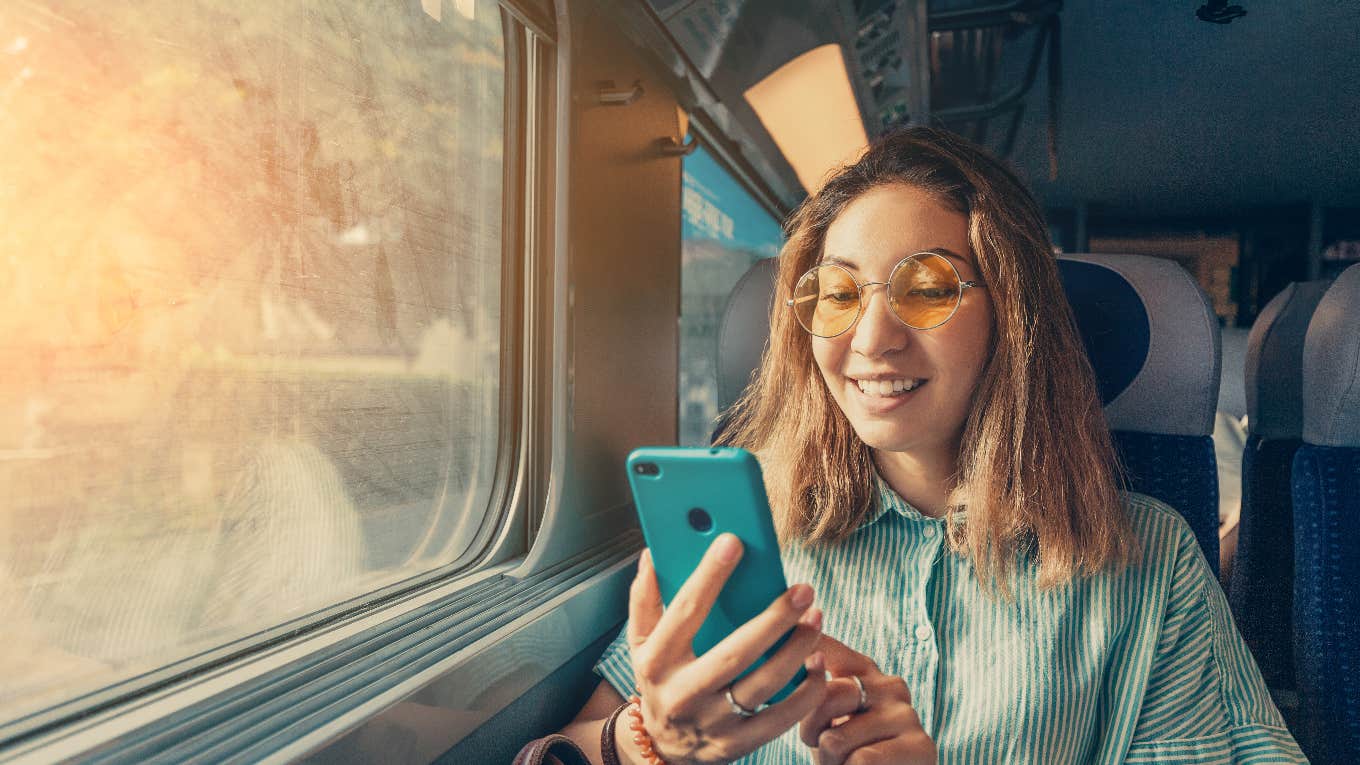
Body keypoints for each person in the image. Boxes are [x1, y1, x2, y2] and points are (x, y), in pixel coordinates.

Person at [560, 128, 1305, 764]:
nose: (873, 340)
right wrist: (641, 740)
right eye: (839, 293)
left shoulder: (1149, 560)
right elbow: (560, 745)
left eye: (926, 288)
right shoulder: (746, 532)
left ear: (1010, 315)